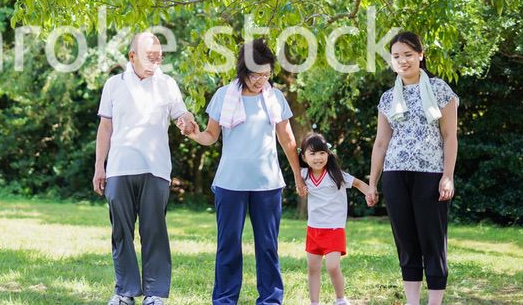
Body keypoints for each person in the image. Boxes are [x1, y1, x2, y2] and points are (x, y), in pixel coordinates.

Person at [183, 38, 307, 305]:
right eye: (255, 75)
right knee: (228, 246)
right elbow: (210, 136)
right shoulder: (223, 96)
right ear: (243, 70)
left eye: (266, 74)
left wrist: (297, 175)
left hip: (268, 184)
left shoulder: (274, 97)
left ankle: (271, 300)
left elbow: (287, 141)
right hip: (230, 183)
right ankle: (225, 299)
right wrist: (194, 134)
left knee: (267, 247)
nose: (261, 80)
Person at [93, 32, 197, 305]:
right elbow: (105, 127)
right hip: (118, 167)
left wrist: (187, 120)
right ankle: (125, 292)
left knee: (154, 232)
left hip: (156, 168)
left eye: (159, 56)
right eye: (150, 56)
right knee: (121, 232)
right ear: (132, 56)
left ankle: (155, 294)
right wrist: (99, 166)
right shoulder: (114, 85)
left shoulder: (168, 84)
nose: (156, 61)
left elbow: (181, 115)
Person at [366, 32, 459, 305]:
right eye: (396, 56)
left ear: (420, 54)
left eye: (407, 54)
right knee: (406, 241)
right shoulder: (387, 98)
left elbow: (450, 137)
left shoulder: (441, 90)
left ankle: (434, 302)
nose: (402, 61)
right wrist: (372, 182)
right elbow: (381, 142)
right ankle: (411, 302)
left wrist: (448, 176)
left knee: (432, 240)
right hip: (395, 175)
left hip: (431, 175)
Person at [299, 133, 368, 305]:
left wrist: (370, 193)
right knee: (313, 269)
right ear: (304, 156)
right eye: (312, 153)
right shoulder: (302, 174)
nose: (318, 158)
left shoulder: (336, 175)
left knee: (332, 266)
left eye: (322, 153)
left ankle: (340, 299)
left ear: (328, 154)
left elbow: (359, 183)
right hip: (313, 229)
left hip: (334, 228)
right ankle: (314, 302)